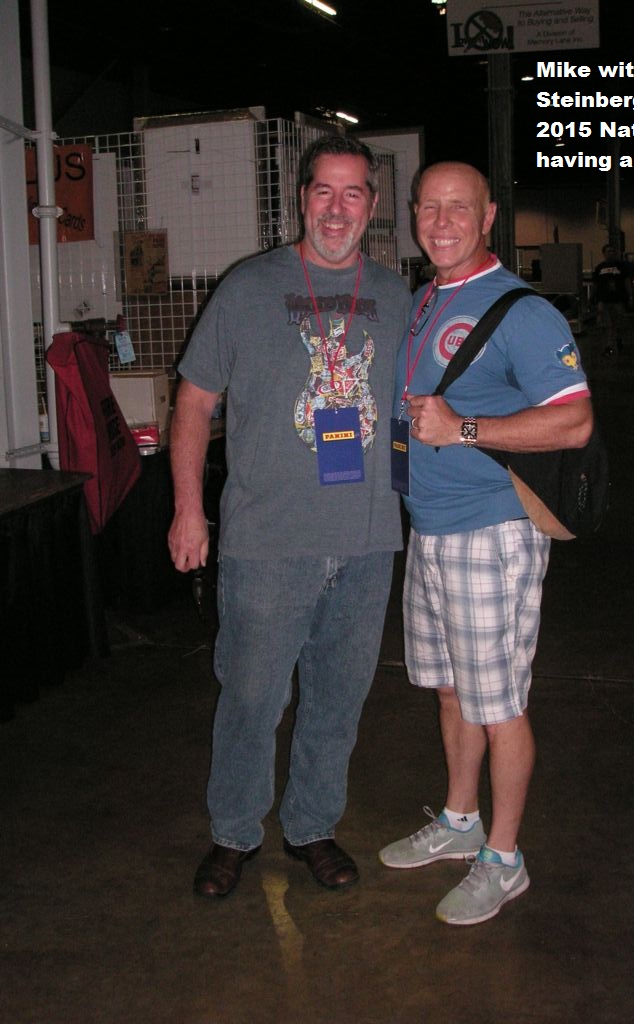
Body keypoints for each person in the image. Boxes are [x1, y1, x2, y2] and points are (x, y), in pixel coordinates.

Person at [168, 135, 411, 899]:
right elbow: (193, 403)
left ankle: (311, 826)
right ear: (301, 198)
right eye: (323, 191)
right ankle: (234, 832)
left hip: (367, 543)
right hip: (267, 543)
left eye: (353, 192)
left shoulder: (397, 297)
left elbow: (415, 411)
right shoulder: (247, 288)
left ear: (373, 204)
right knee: (251, 699)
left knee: (338, 699)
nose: (337, 209)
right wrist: (187, 509)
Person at [378, 162, 593, 926]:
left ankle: (504, 859)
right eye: (429, 206)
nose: (441, 221)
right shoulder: (425, 299)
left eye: (458, 207)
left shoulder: (522, 311)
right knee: (450, 690)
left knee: (498, 705)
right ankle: (460, 819)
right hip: (430, 529)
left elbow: (575, 421)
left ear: (489, 216)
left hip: (491, 533)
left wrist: (464, 428)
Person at [592, 243, 633, 356]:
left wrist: (630, 296)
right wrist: (593, 297)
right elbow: (596, 283)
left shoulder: (621, 267)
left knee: (618, 322)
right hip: (604, 299)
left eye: (612, 251)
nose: (610, 253)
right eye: (608, 251)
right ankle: (608, 345)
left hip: (618, 299)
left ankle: (619, 338)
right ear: (604, 253)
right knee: (607, 323)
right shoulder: (599, 268)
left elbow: (626, 282)